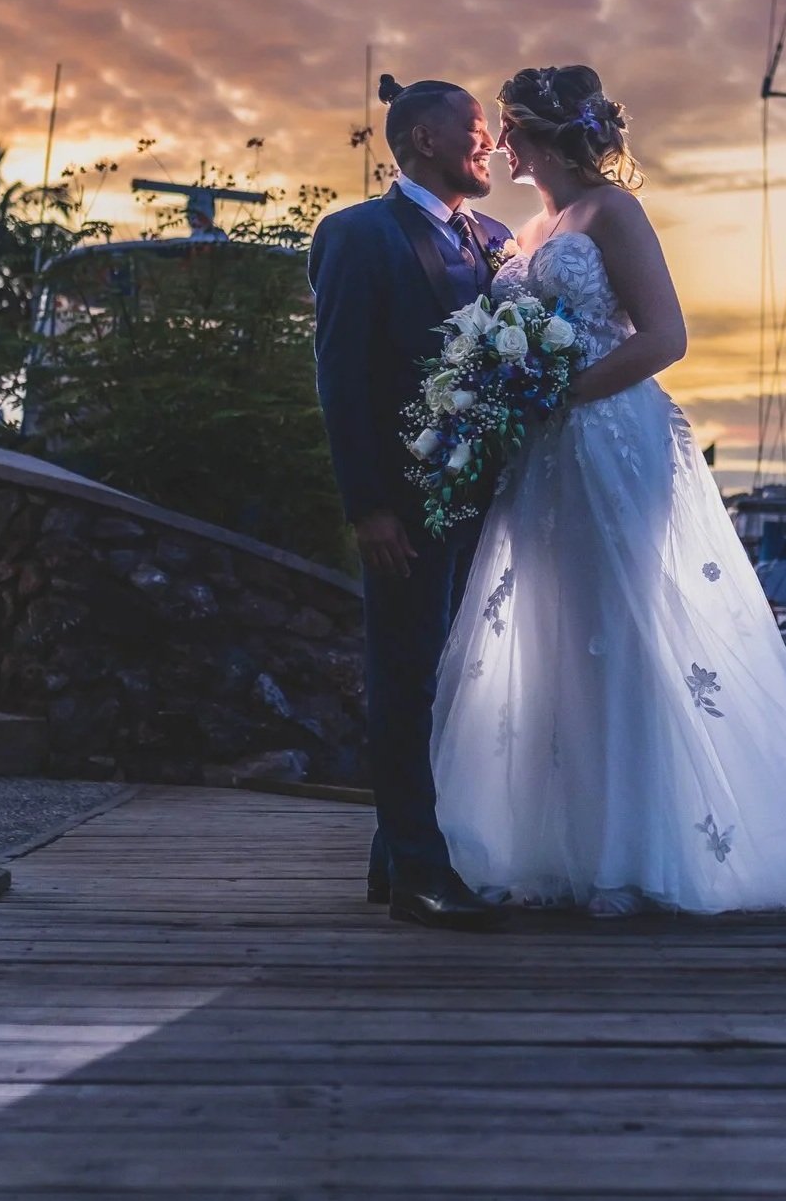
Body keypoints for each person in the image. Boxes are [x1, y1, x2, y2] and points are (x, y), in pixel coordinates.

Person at [431, 65, 786, 914]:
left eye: (507, 128)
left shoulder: (611, 213)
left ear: (541, 133)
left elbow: (666, 337)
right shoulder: (532, 226)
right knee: (554, 635)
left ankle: (647, 851)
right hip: (543, 455)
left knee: (618, 626)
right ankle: (567, 841)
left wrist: (561, 391)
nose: (497, 144)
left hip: (610, 439)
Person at [310, 73, 515, 929]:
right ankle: (421, 878)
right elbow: (342, 379)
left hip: (494, 504)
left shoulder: (500, 238)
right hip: (405, 503)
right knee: (405, 678)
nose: (489, 143)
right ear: (423, 139)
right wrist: (369, 507)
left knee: (461, 679)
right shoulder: (356, 235)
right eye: (473, 128)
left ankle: (393, 850)